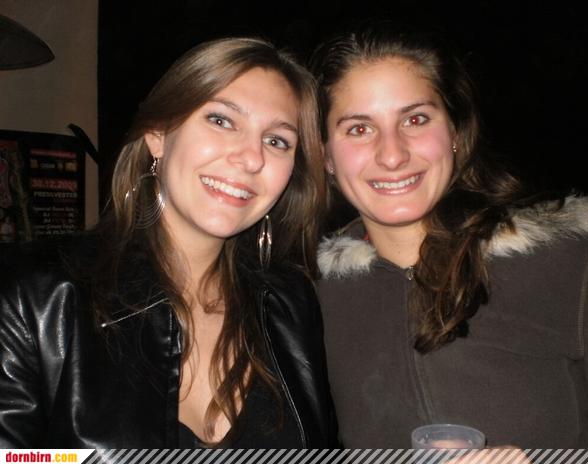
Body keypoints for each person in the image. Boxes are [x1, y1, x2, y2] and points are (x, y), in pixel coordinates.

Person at [0, 37, 337, 448]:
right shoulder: (35, 297)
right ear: (158, 133)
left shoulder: (290, 304)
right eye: (221, 120)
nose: (252, 158)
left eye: (277, 141)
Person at [310, 21, 588, 448]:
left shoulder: (564, 262)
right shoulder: (310, 299)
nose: (392, 155)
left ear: (454, 132)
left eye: (415, 119)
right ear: (325, 154)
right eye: (359, 129)